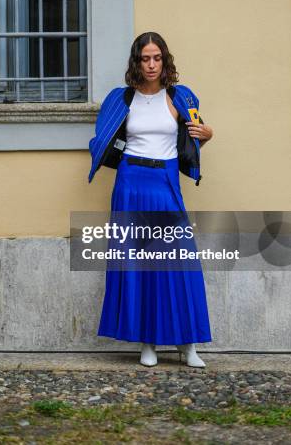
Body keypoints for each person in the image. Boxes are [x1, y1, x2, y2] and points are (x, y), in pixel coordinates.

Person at [89, 32, 213, 367]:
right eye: (145, 58)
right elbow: (101, 137)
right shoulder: (121, 99)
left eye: (157, 57)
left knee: (178, 263)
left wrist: (208, 134)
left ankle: (188, 346)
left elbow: (198, 132)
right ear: (136, 62)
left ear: (165, 60)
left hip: (165, 181)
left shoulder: (181, 97)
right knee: (139, 265)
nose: (152, 64)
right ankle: (148, 344)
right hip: (130, 183)